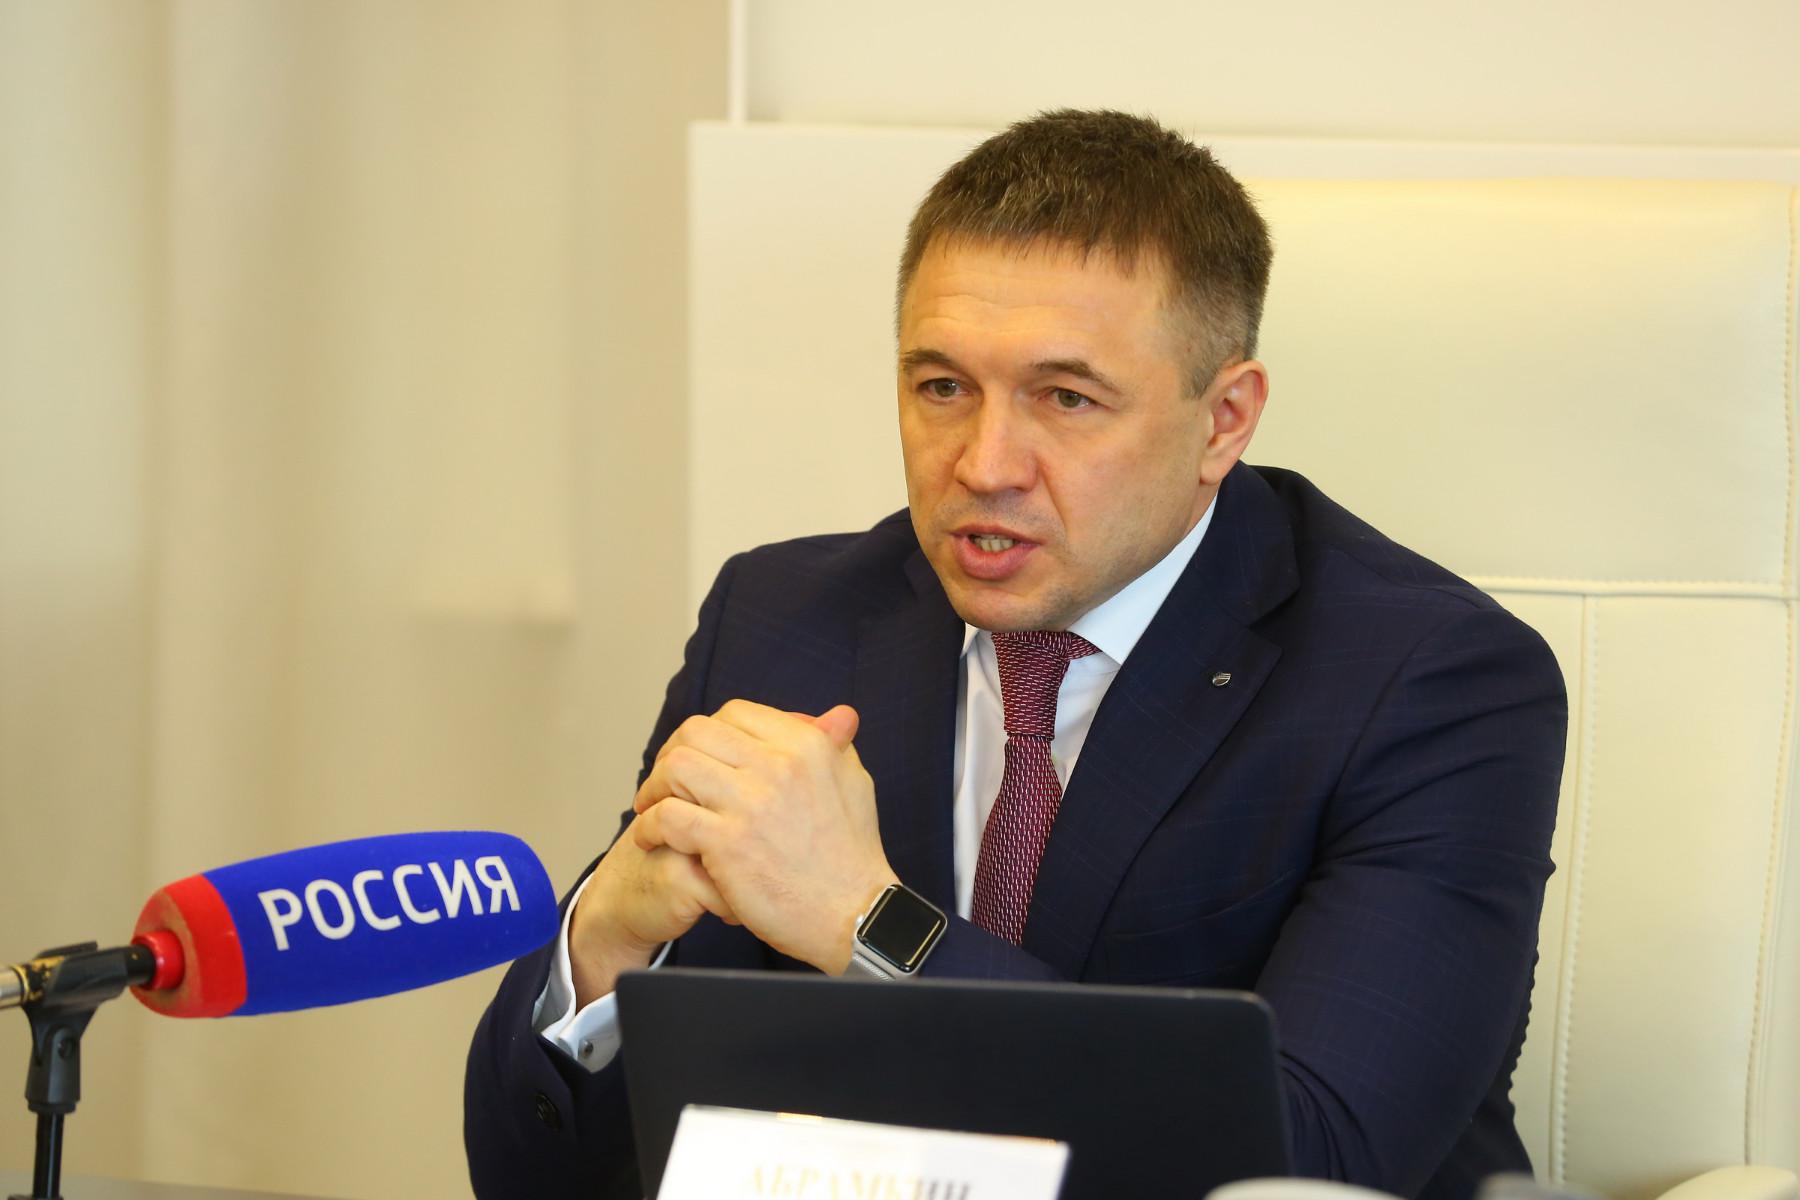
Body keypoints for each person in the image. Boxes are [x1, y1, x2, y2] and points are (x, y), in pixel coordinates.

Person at [464, 109, 1566, 1200]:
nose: (985, 465)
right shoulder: (784, 620)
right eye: (942, 387)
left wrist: (870, 925)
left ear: (1225, 419)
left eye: (1066, 398)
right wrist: (604, 944)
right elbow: (540, 1180)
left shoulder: (1429, 683)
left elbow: (1311, 1166)